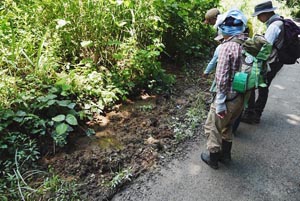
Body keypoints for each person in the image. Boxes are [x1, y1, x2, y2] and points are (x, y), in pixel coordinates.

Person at [201, 9, 248, 169]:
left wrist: (219, 103)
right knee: (227, 126)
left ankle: (213, 159)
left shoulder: (227, 47)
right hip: (240, 98)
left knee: (212, 127)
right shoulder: (246, 42)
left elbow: (221, 79)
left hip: (227, 99)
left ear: (225, 29)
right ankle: (226, 156)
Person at [241, 0, 284, 124]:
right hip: (276, 60)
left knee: (258, 84)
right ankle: (253, 113)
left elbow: (265, 48)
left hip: (272, 61)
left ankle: (253, 114)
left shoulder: (274, 26)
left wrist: (255, 62)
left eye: (259, 15)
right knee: (262, 85)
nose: (259, 18)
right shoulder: (278, 21)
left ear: (266, 13)